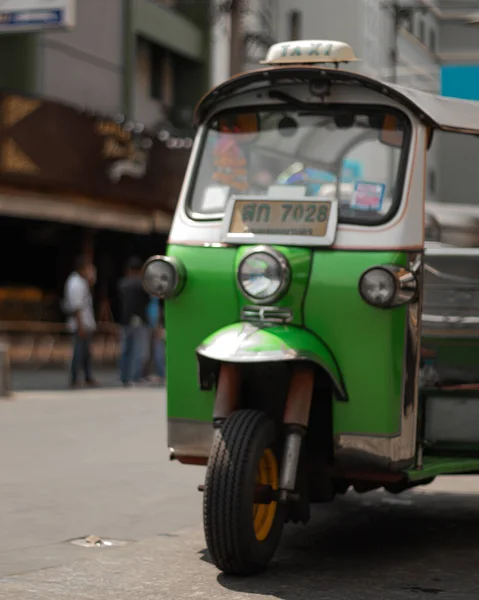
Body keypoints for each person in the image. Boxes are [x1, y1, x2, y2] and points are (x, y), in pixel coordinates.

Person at [63, 255, 98, 389]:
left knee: (86, 353)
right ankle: (74, 377)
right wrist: (81, 326)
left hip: (85, 322)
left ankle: (87, 376)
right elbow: (77, 307)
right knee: (78, 352)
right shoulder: (75, 283)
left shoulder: (82, 282)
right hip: (80, 324)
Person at [117, 256, 150, 386]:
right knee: (138, 350)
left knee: (125, 350)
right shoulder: (141, 285)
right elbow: (146, 302)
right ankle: (136, 376)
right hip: (139, 320)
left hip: (124, 320)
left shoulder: (122, 284)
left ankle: (124, 376)